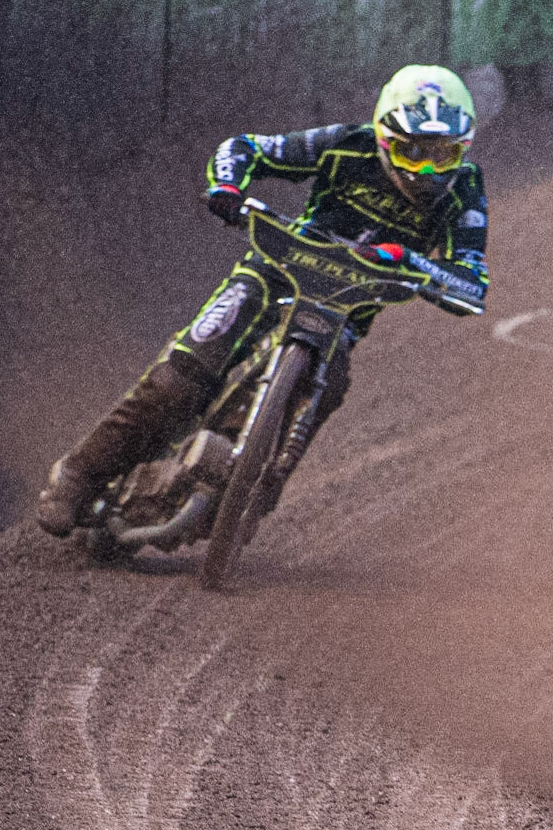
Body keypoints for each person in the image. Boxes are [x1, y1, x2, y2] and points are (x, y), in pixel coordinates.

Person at [35, 65, 490, 537]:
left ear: (464, 148)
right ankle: (77, 475)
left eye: (443, 154)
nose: (427, 169)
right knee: (184, 373)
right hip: (278, 267)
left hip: (343, 311)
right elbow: (247, 147)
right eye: (413, 151)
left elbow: (472, 284)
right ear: (382, 136)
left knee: (328, 386)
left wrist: (412, 262)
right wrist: (227, 188)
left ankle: (253, 493)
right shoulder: (345, 143)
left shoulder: (465, 190)